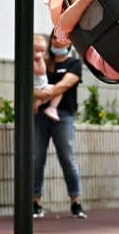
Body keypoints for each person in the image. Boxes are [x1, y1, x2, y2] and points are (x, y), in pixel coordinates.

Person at [30, 33, 87, 219]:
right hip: (39, 116)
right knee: (37, 158)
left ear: (70, 41)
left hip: (63, 116)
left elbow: (65, 85)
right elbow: (31, 85)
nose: (57, 41)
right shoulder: (42, 61)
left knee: (67, 158)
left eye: (62, 38)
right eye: (54, 37)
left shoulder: (74, 64)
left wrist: (45, 93)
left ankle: (75, 202)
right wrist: (40, 95)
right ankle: (35, 201)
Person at [32, 44, 63, 122]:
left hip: (43, 86)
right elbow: (40, 71)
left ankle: (52, 108)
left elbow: (42, 71)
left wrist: (41, 60)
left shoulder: (41, 60)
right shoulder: (34, 61)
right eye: (36, 51)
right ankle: (39, 102)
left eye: (42, 51)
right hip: (36, 88)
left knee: (57, 92)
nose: (39, 54)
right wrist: (41, 60)